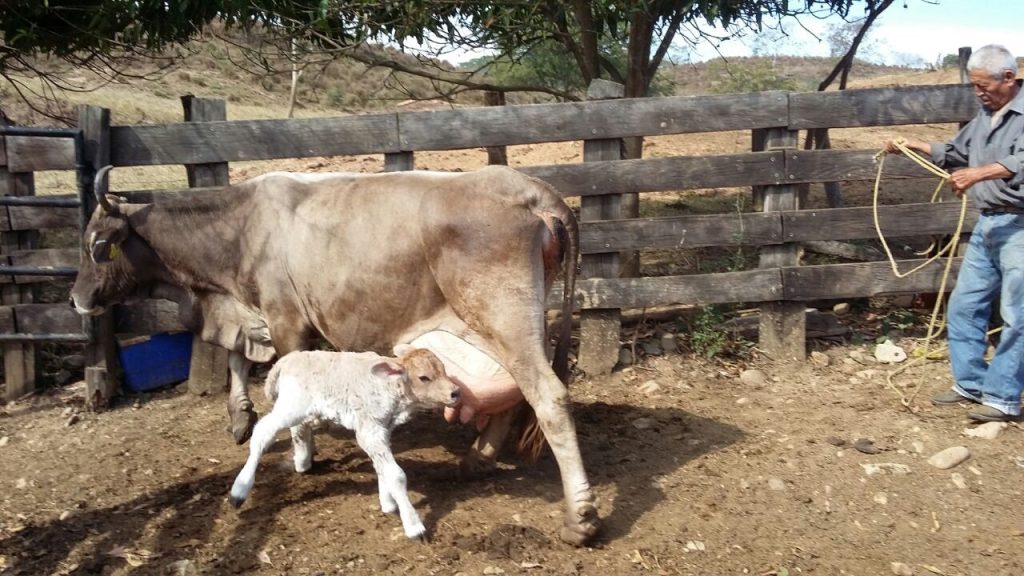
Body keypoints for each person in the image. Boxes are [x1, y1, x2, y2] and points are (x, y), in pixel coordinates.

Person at [885, 44, 1024, 422]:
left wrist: (980, 173)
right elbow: (957, 152)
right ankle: (972, 384)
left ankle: (1002, 398)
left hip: (1020, 227)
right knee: (964, 305)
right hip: (990, 224)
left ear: (1008, 78)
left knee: (1018, 314)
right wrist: (913, 144)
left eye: (983, 85)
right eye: (974, 86)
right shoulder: (985, 116)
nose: (978, 92)